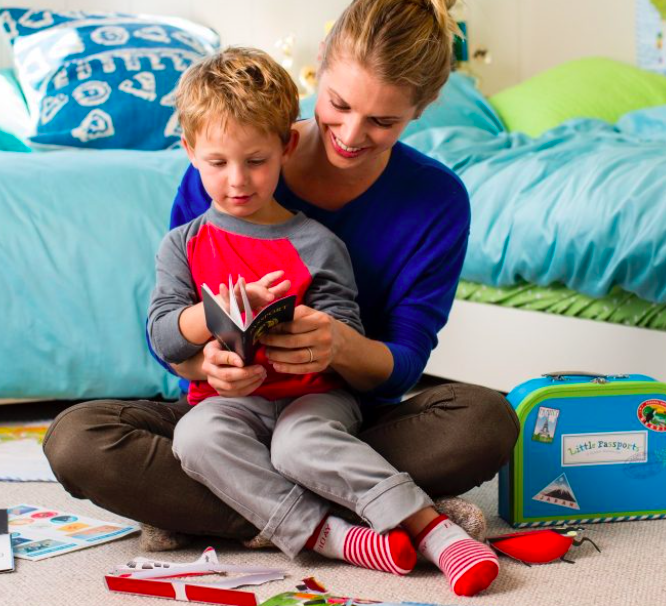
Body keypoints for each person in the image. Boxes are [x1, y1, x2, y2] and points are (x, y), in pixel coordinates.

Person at [43, 0, 519, 597]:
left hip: (334, 412)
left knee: (486, 421)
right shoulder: (230, 154)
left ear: (420, 112)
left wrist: (339, 345)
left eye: (383, 122)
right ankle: (367, 512)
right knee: (77, 440)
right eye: (340, 105)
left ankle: (223, 511)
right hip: (225, 410)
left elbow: (404, 362)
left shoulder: (434, 201)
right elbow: (167, 328)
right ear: (319, 68)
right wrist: (201, 364)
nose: (350, 134)